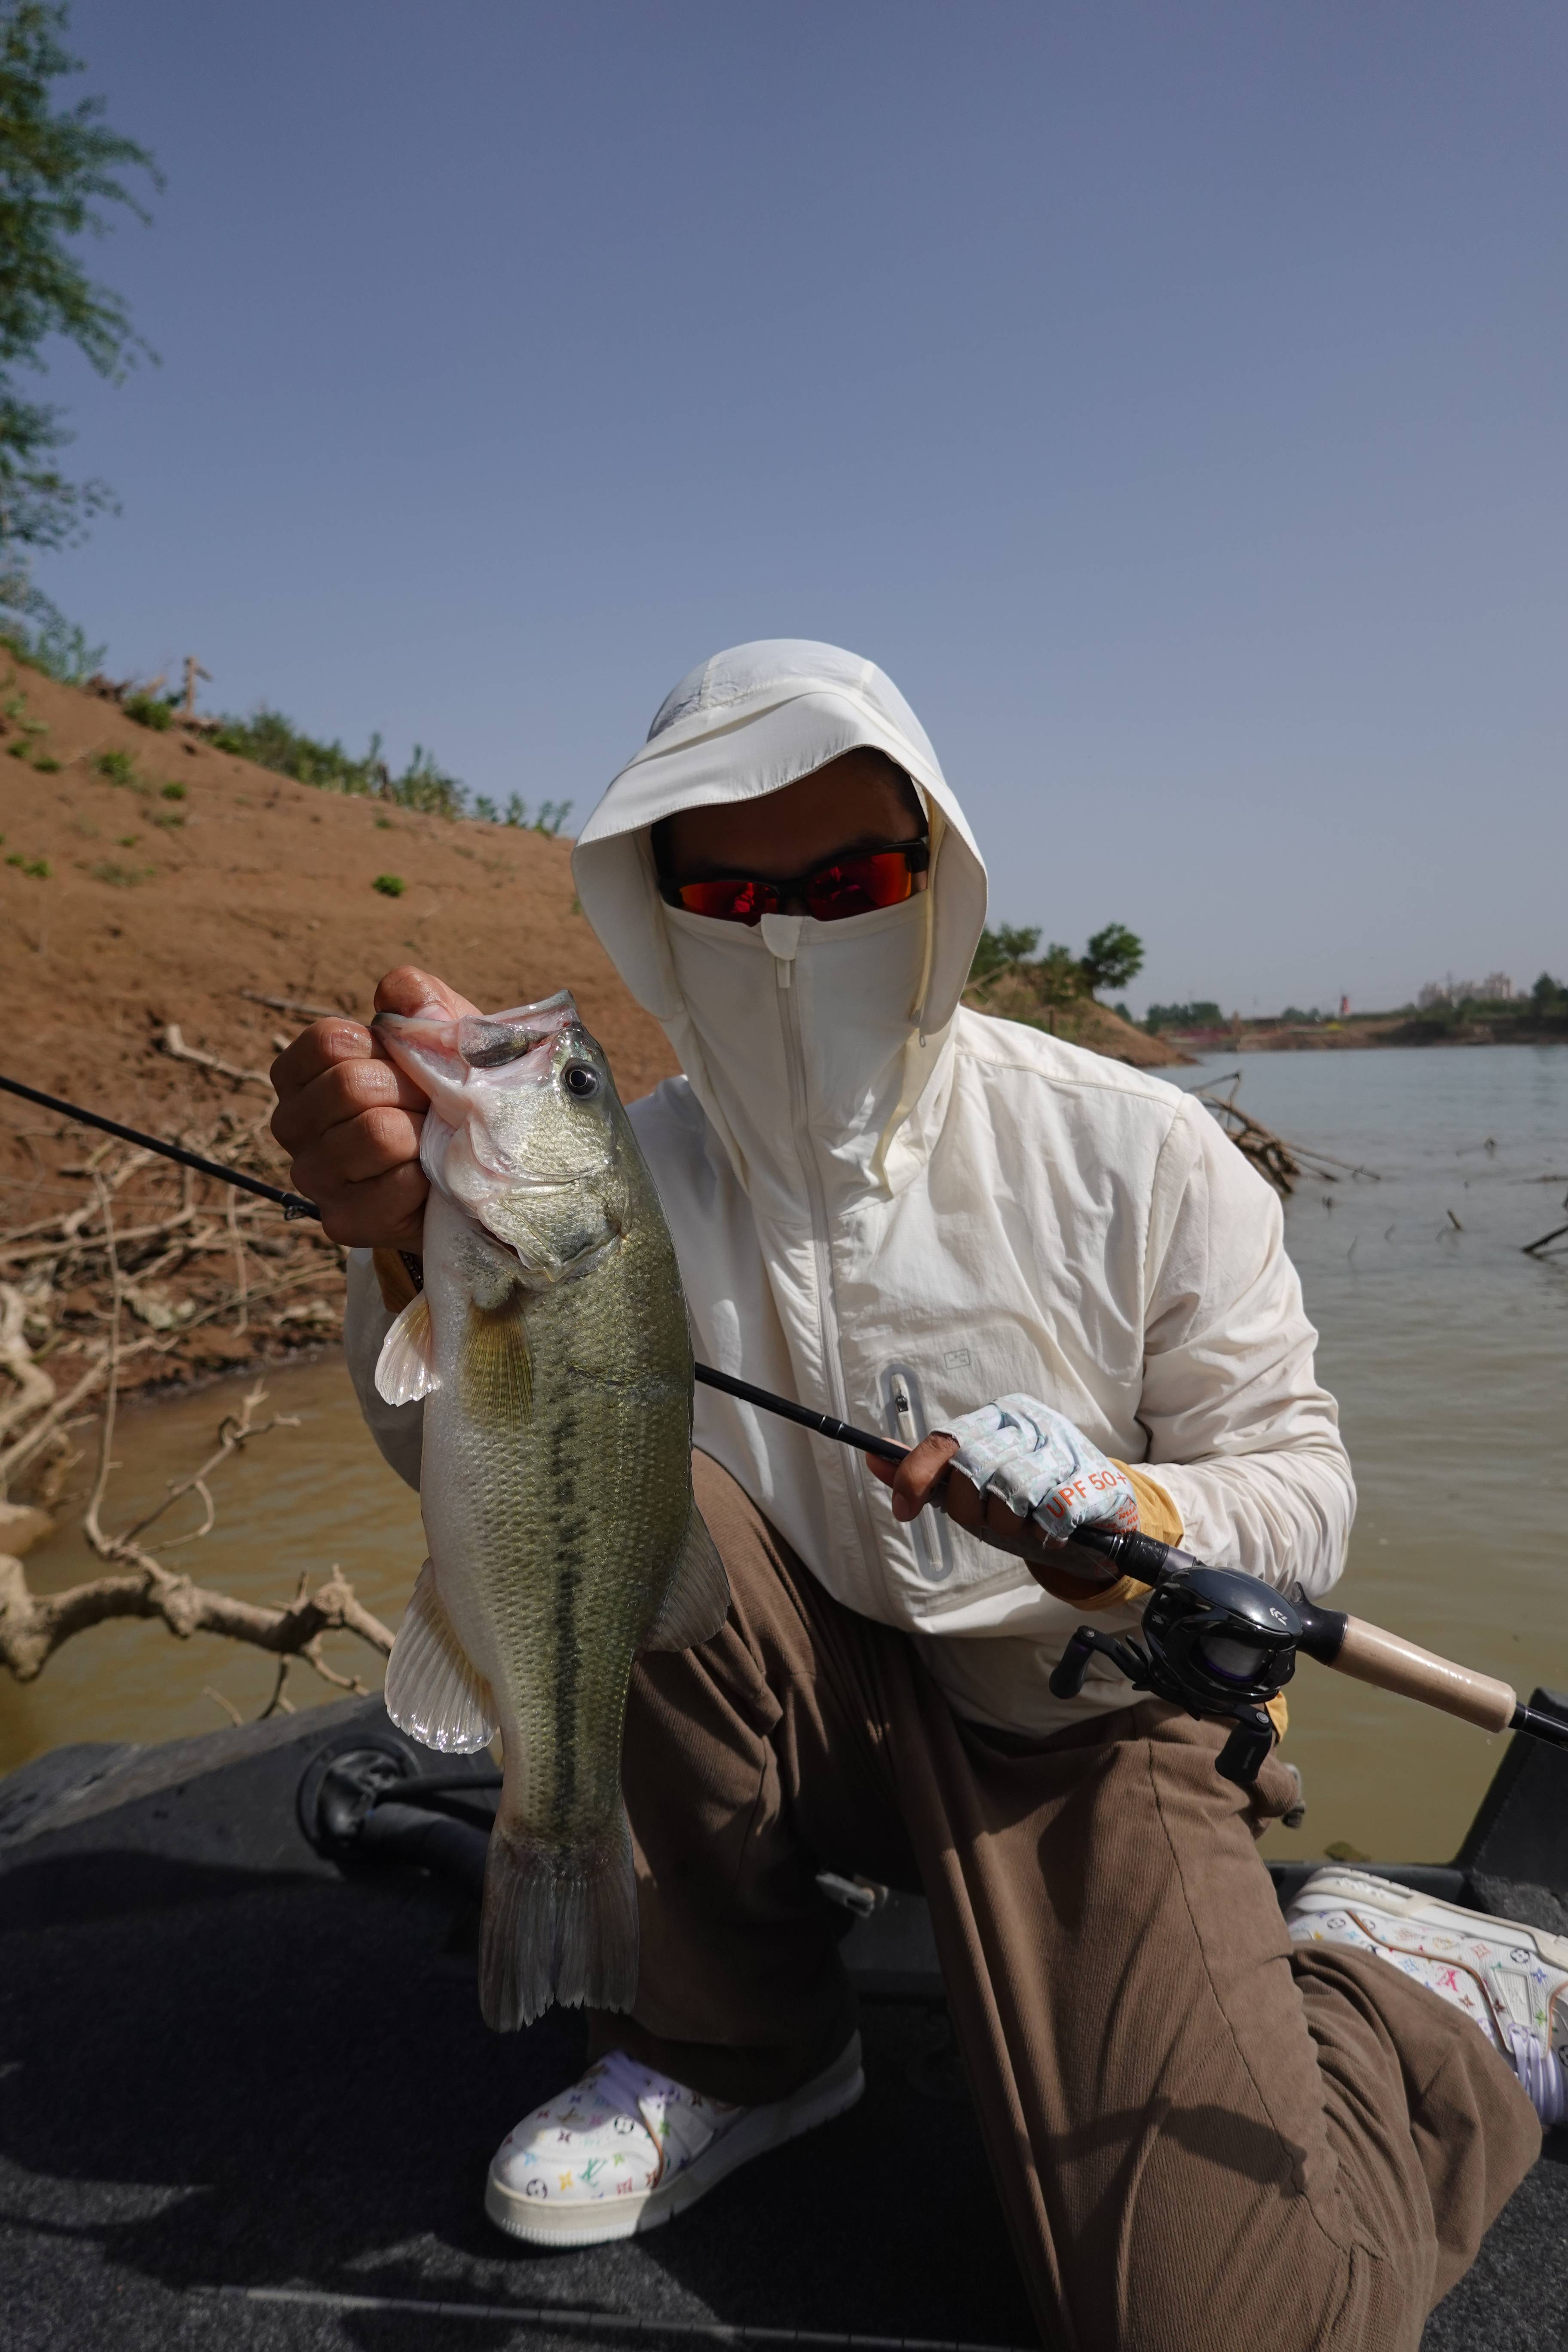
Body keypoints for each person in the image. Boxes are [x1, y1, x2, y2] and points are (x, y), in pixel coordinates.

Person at [273, 640, 1559, 2348]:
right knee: (627, 1509)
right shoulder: (612, 1169)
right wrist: (388, 1247)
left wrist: (1138, 1526)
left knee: (1231, 2325)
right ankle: (740, 2039)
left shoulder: (1138, 1148)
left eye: (855, 876)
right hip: (779, 1712)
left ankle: (1427, 1994)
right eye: (727, 884)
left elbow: (1302, 1488)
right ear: (651, 902)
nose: (789, 929)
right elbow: (471, 1471)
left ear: (939, 879)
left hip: (1085, 1733)